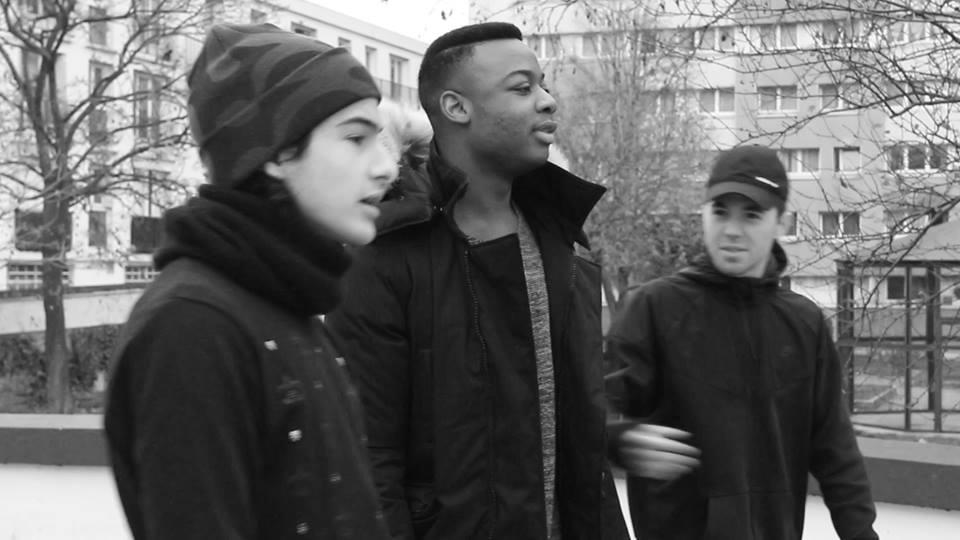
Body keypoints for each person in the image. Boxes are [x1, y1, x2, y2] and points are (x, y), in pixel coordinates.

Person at [327, 22, 634, 540]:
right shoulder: (384, 258)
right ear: (456, 107)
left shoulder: (563, 241)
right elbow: (368, 464)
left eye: (544, 85)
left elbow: (557, 423)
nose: (547, 101)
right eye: (522, 87)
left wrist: (617, 440)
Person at [104, 23, 397, 539]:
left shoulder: (289, 301)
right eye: (356, 138)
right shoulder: (191, 327)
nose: (386, 167)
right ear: (277, 152)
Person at [605, 145, 879, 540]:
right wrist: (620, 440)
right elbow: (588, 410)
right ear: (703, 213)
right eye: (720, 212)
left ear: (780, 222)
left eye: (751, 215)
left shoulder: (804, 324)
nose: (732, 230)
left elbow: (835, 449)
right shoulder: (654, 308)